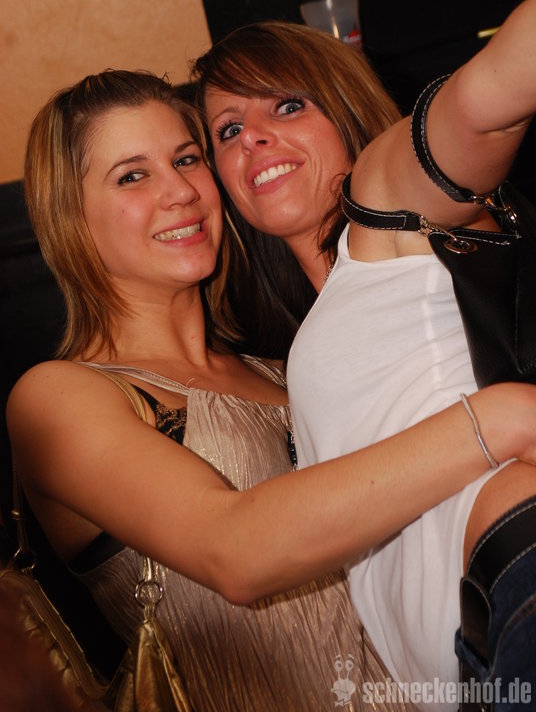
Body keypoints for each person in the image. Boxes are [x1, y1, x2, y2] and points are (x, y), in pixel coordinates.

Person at [6, 70, 536, 712]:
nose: (180, 191)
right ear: (70, 216)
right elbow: (234, 551)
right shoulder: (59, 397)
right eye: (132, 175)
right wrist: (496, 419)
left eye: (187, 159)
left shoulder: (287, 372)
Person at [192, 0, 536, 708]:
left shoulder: (382, 203)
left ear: (345, 108)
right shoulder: (299, 341)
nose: (253, 138)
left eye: (287, 106)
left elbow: (485, 104)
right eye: (228, 129)